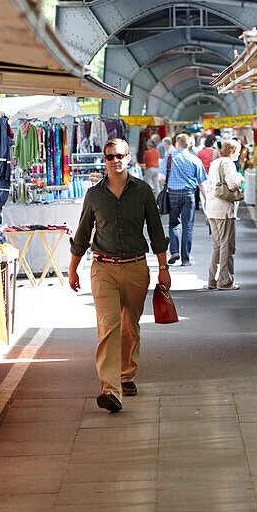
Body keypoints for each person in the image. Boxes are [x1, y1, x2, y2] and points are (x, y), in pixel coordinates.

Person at [68, 138, 170, 413]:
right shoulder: (93, 194)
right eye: (109, 157)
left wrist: (163, 268)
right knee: (109, 326)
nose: (114, 161)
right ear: (105, 161)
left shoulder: (144, 191)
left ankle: (127, 375)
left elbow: (157, 232)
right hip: (103, 268)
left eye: (119, 156)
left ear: (128, 158)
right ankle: (110, 390)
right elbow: (82, 233)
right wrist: (73, 268)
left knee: (129, 325)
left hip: (137, 267)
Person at [161, 132, 207, 266]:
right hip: (189, 195)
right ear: (188, 145)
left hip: (173, 195)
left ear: (177, 144)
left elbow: (161, 177)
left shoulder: (169, 158)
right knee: (188, 227)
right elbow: (201, 183)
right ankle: (186, 259)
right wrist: (206, 200)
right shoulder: (195, 159)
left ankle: (174, 251)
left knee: (173, 224)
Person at [205, 140, 243, 290]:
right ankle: (225, 281)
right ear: (232, 151)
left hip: (212, 207)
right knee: (227, 244)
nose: (239, 154)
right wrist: (240, 178)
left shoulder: (215, 163)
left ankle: (212, 279)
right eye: (238, 151)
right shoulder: (228, 163)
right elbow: (233, 185)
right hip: (223, 209)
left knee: (217, 245)